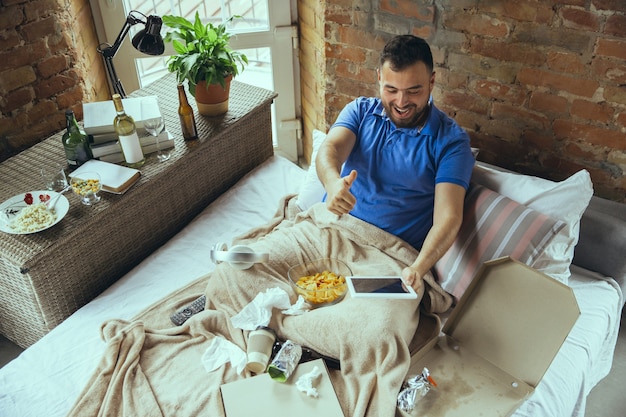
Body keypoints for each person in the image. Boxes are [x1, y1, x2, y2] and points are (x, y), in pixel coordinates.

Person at [316, 34, 475, 296]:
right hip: (330, 229)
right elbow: (330, 149)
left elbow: (448, 218)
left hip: (390, 255)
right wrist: (332, 183)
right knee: (244, 270)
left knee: (379, 327)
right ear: (378, 77)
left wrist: (418, 268)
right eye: (391, 90)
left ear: (432, 82)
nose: (401, 103)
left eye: (414, 90)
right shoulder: (360, 111)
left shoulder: (451, 143)